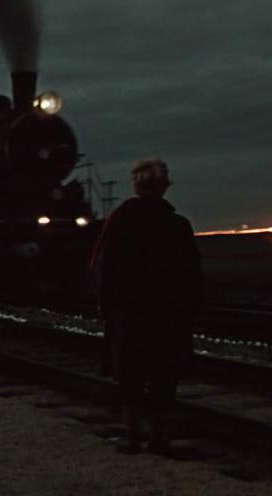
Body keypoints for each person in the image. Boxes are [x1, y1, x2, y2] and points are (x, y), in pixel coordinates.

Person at [88, 158, 203, 454]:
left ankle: (132, 437)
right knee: (164, 377)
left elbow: (104, 267)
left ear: (137, 186)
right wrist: (189, 309)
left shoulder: (120, 221)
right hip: (168, 314)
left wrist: (106, 304)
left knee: (131, 378)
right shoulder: (178, 225)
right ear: (164, 187)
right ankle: (158, 438)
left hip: (129, 313)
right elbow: (191, 274)